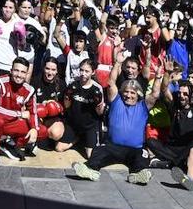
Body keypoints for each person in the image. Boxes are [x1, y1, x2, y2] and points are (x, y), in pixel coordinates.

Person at [71, 53, 171, 185]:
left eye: (132, 93)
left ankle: (137, 175)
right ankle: (90, 170)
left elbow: (155, 94)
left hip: (135, 149)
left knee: (142, 157)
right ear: (122, 93)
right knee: (99, 151)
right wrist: (117, 63)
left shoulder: (143, 106)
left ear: (138, 94)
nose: (128, 95)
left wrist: (158, 77)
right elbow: (111, 82)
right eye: (126, 92)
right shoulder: (116, 100)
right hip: (112, 146)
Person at [0, 57, 39, 160]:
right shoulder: (0, 81)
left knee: (42, 131)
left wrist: (34, 128)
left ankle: (12, 143)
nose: (19, 75)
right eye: (16, 70)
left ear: (26, 74)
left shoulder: (29, 90)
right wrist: (19, 114)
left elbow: (33, 112)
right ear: (11, 71)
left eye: (23, 72)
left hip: (13, 123)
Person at [59, 59, 105, 154]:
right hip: (74, 124)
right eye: (81, 70)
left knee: (90, 155)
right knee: (59, 148)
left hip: (89, 126)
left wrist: (99, 104)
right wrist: (67, 97)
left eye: (86, 71)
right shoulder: (73, 84)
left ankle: (86, 139)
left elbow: (100, 113)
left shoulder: (97, 88)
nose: (83, 73)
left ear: (93, 72)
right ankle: (77, 140)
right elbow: (67, 106)